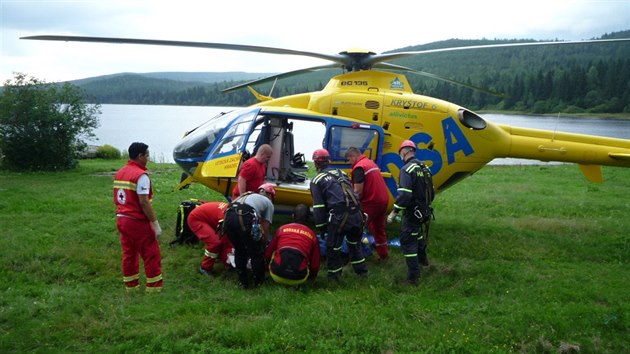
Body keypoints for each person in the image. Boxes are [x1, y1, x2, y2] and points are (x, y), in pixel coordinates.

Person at [310, 148, 368, 282]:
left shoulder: (317, 180)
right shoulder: (342, 173)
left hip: (339, 218)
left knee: (333, 248)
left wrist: (322, 227)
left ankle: (334, 279)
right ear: (329, 160)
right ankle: (362, 274)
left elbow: (319, 207)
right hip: (357, 215)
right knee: (355, 245)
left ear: (316, 163)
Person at [113, 142, 163, 293]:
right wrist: (155, 223)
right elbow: (144, 201)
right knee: (151, 254)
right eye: (147, 155)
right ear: (140, 156)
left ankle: (131, 287)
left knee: (129, 254)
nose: (148, 159)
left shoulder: (121, 172)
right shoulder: (141, 176)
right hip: (136, 221)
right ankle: (153, 289)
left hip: (122, 218)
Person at [387, 140, 435, 286]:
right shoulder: (425, 168)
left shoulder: (406, 169)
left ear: (404, 152)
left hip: (412, 212)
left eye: (400, 153)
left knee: (408, 242)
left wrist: (394, 212)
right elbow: (432, 192)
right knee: (418, 235)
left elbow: (405, 195)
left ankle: (413, 277)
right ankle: (423, 262)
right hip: (425, 211)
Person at [223, 183, 276, 288]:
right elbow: (265, 228)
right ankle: (259, 282)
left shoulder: (246, 195)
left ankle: (243, 282)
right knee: (256, 252)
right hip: (244, 216)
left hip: (228, 217)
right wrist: (264, 245)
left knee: (239, 250)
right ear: (270, 196)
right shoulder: (268, 203)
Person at [345, 146, 390, 261]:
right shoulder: (370, 163)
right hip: (383, 201)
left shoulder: (359, 167)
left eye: (349, 161)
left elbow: (358, 192)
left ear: (353, 156)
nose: (350, 164)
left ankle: (354, 258)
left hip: (371, 202)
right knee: (378, 228)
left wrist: (349, 205)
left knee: (356, 228)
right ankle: (383, 255)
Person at [265, 204, 320, 286]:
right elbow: (315, 265)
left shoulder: (281, 229)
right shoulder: (312, 235)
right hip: (299, 279)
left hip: (276, 275)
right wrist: (311, 279)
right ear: (308, 218)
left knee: (275, 251)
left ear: (292, 216)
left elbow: (268, 254)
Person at [187, 201, 235, 276]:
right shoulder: (226, 218)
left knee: (224, 241)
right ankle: (205, 268)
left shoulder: (231, 213)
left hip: (209, 218)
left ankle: (226, 261)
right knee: (215, 242)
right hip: (196, 219)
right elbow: (225, 240)